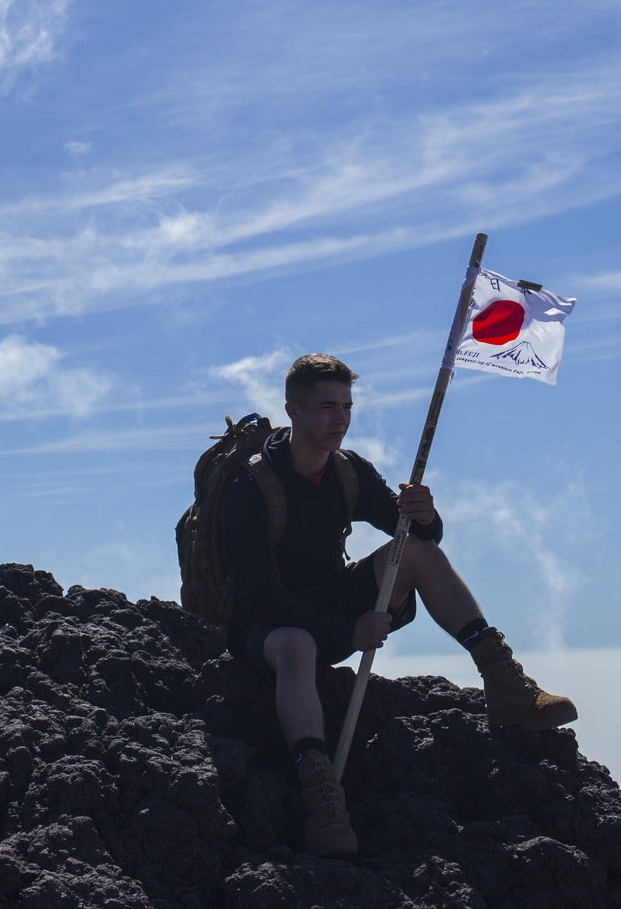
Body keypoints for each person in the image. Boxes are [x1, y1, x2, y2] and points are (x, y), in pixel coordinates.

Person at [219, 353, 578, 860]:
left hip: (332, 604)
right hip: (267, 629)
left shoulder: (347, 471)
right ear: (293, 410)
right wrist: (347, 633)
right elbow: (261, 597)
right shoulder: (249, 489)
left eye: (346, 405)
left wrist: (426, 516)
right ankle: (322, 798)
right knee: (297, 644)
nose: (340, 418)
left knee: (414, 550)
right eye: (326, 407)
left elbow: (411, 533)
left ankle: (503, 683)